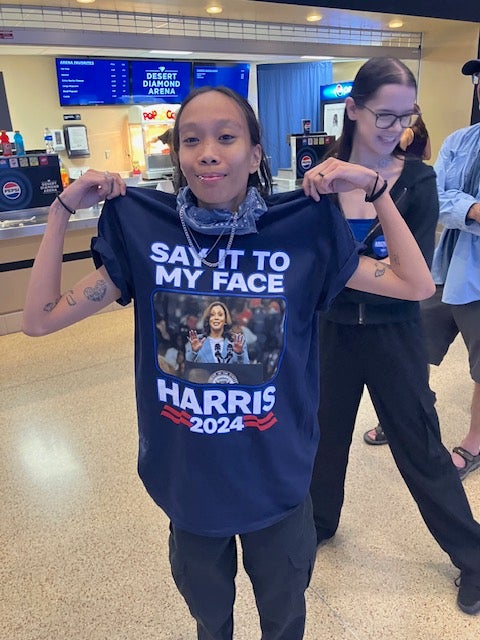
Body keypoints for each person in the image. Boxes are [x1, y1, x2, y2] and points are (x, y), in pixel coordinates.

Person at [22, 85, 435, 639]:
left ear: (256, 154)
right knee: (210, 621)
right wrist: (62, 209)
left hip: (279, 479)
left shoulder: (301, 233)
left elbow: (416, 283)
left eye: (226, 137)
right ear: (177, 154)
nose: (208, 152)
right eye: (190, 140)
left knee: (284, 619)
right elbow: (40, 318)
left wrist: (377, 190)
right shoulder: (149, 233)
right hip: (190, 482)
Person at [307, 56, 480, 617]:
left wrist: (370, 193)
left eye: (406, 116)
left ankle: (474, 557)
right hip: (330, 332)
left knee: (422, 449)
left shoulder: (418, 180)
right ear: (352, 109)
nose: (396, 128)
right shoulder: (320, 175)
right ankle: (317, 525)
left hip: (394, 336)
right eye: (384, 115)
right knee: (322, 439)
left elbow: (416, 277)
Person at [420, 58, 480, 481]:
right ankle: (410, 417)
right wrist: (473, 208)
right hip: (445, 266)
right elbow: (434, 197)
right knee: (414, 346)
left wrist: (459, 205)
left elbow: (446, 198)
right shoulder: (460, 140)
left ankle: (475, 444)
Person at [185, 300, 249, 363]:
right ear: (208, 319)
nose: (216, 318)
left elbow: (246, 367)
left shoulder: (237, 341)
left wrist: (239, 354)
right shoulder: (196, 340)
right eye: (212, 315)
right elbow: (187, 367)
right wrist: (194, 352)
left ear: (225, 320)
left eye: (220, 315)